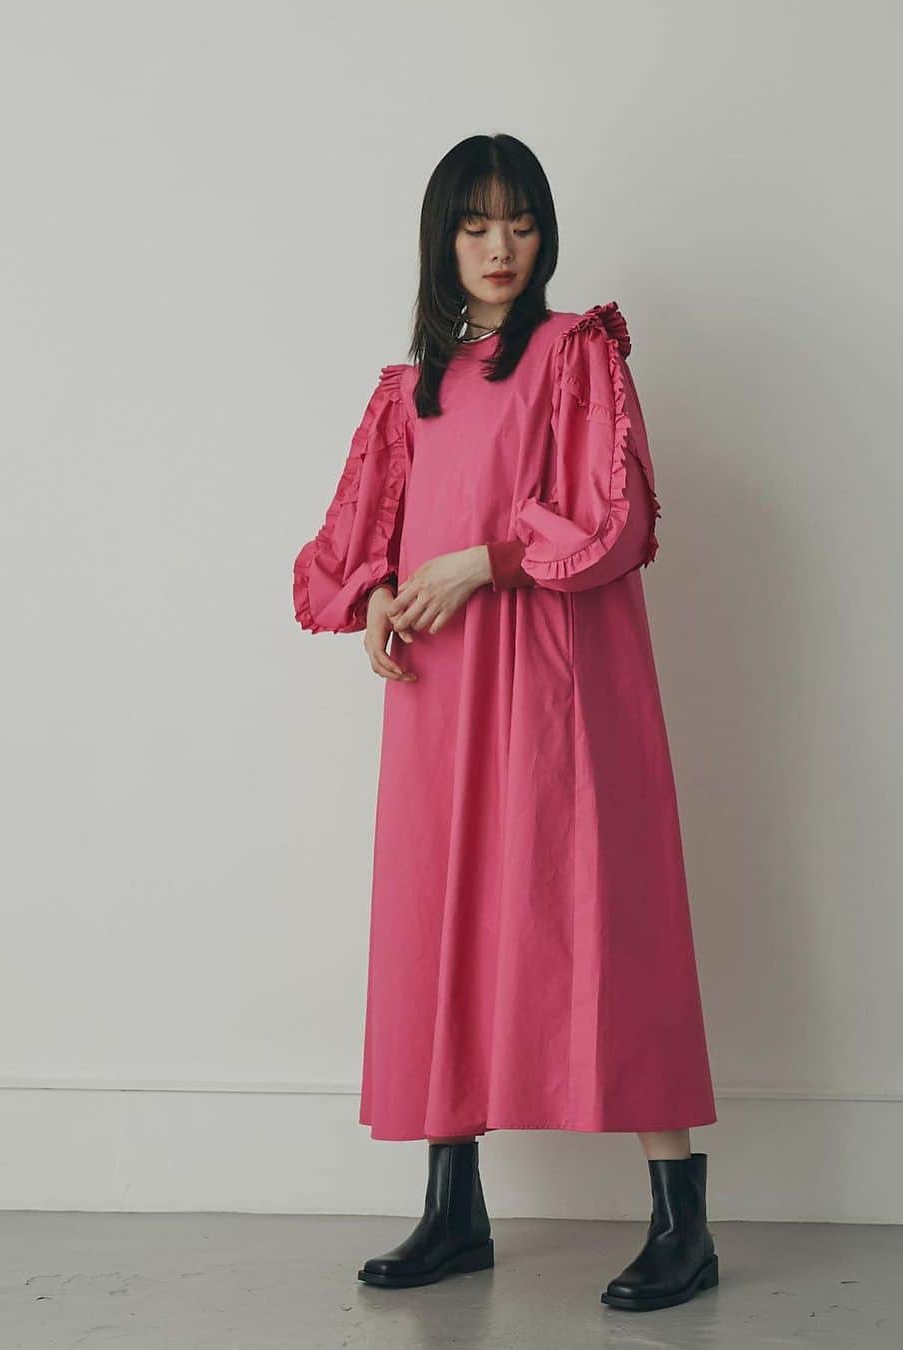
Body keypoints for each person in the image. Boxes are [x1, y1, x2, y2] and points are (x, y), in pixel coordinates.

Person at [292, 133, 719, 1313]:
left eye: (521, 223)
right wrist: (382, 595)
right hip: (443, 688)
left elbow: (612, 518)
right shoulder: (409, 391)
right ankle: (454, 1209)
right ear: (442, 240)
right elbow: (362, 539)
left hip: (559, 678)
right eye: (477, 225)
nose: (500, 247)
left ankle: (683, 1221)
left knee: (605, 913)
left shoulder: (577, 354)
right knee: (443, 915)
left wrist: (481, 562)